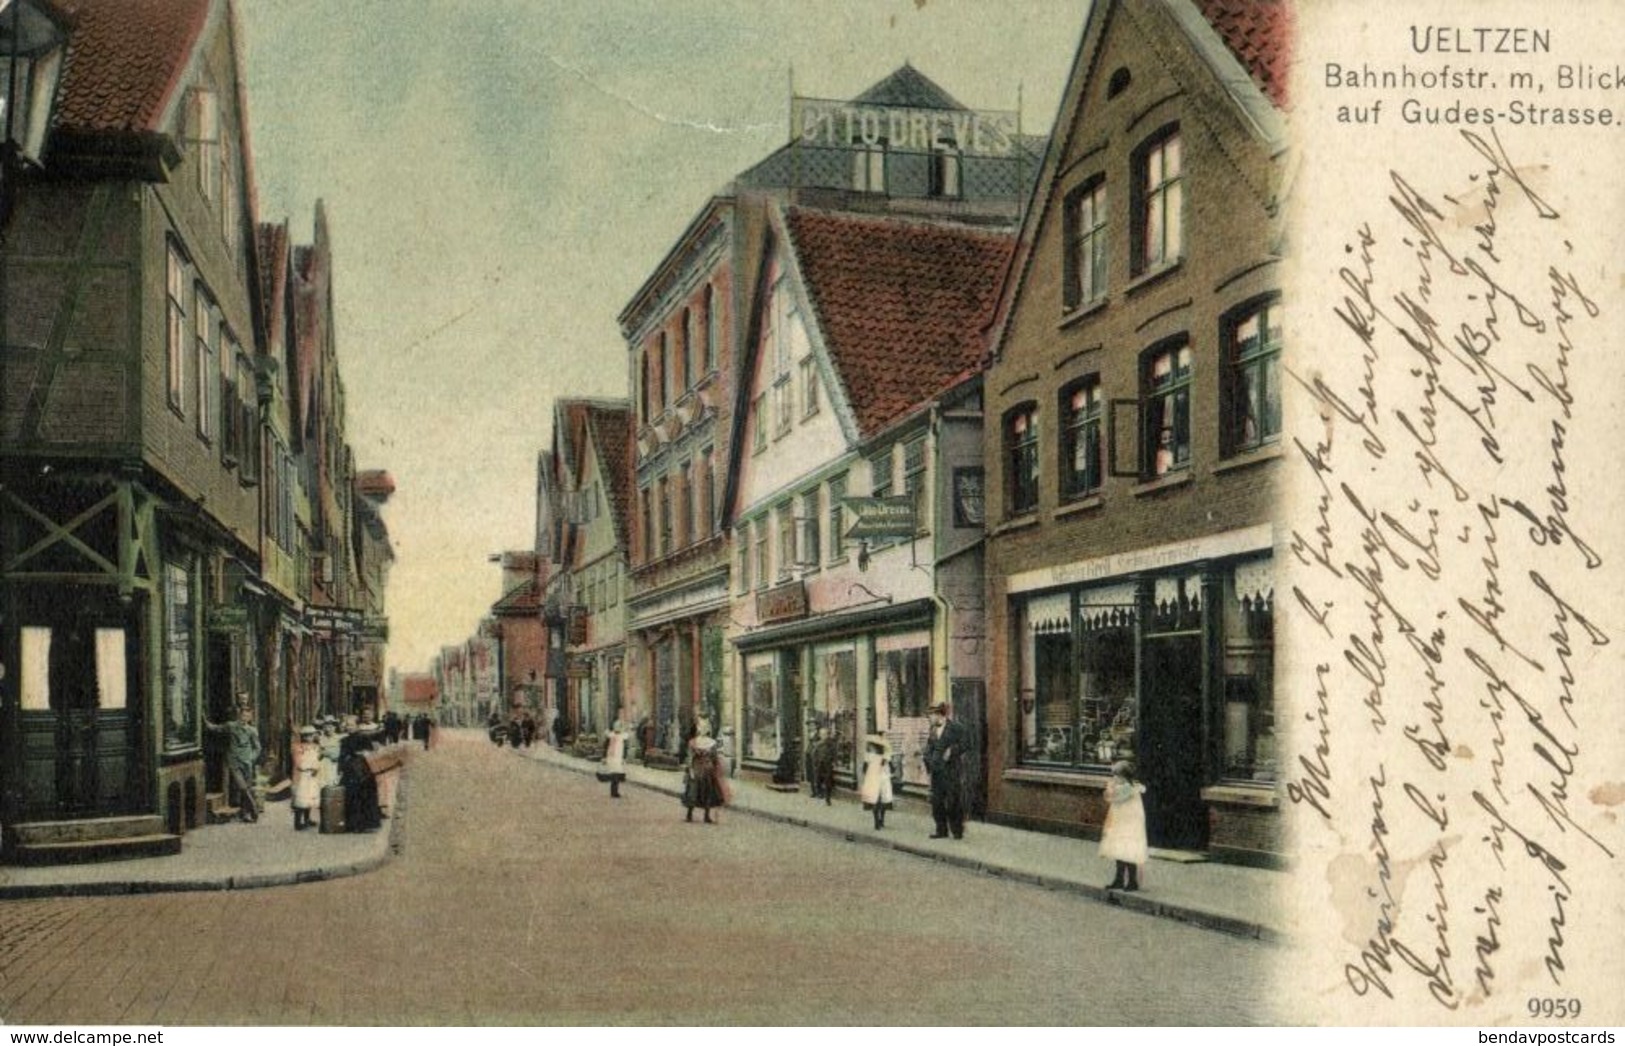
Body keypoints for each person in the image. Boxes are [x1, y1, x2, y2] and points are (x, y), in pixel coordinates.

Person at [205, 701, 262, 822]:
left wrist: (252, 757)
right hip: (234, 761)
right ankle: (254, 809)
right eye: (243, 715)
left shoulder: (252, 730)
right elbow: (214, 728)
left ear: (250, 717)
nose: (245, 718)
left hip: (247, 762)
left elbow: (257, 747)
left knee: (247, 787)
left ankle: (245, 813)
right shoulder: (230, 726)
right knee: (243, 787)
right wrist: (204, 720)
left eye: (247, 716)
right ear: (239, 715)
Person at [1100, 760, 1148, 891]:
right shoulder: (1125, 787)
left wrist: (1110, 789)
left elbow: (1113, 798)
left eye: (1117, 775)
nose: (1114, 778)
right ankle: (1119, 879)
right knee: (1119, 851)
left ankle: (1132, 881)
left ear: (1124, 776)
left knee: (1128, 852)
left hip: (1128, 824)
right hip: (1120, 822)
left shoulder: (1128, 788)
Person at [923, 701, 968, 840]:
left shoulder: (956, 727)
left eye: (930, 715)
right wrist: (928, 761)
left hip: (951, 771)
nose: (929, 718)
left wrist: (952, 750)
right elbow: (929, 749)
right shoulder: (932, 730)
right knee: (937, 802)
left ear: (939, 714)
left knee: (953, 801)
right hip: (937, 772)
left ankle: (957, 831)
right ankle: (941, 830)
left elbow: (967, 743)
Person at [684, 722, 728, 824]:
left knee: (706, 791)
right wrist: (690, 770)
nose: (703, 729)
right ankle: (690, 814)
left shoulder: (711, 742)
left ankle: (705, 815)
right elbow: (690, 758)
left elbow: (714, 757)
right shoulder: (694, 742)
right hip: (698, 769)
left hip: (706, 769)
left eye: (705, 727)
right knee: (695, 791)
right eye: (701, 727)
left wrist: (716, 768)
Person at [858, 734, 894, 831]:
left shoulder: (869, 756)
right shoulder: (885, 757)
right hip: (884, 779)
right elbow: (892, 768)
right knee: (884, 800)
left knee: (875, 801)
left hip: (873, 779)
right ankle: (881, 819)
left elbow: (864, 769)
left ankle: (876, 822)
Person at [291, 724, 321, 830]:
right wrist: (308, 767)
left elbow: (317, 759)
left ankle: (307, 819)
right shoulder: (299, 747)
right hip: (303, 775)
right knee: (301, 798)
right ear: (303, 736)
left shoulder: (316, 747)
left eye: (311, 735)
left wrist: (316, 767)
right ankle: (298, 822)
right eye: (307, 736)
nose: (309, 738)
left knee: (309, 797)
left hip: (312, 775)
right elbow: (298, 762)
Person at [600, 719, 630, 798]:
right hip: (611, 757)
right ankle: (614, 791)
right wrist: (604, 757)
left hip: (619, 757)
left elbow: (625, 748)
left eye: (619, 727)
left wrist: (624, 757)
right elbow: (605, 747)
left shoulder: (623, 737)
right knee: (614, 774)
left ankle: (615, 791)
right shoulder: (610, 736)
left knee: (617, 774)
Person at [809, 727, 837, 805]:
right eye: (822, 734)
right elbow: (814, 754)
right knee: (818, 781)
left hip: (827, 765)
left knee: (828, 782)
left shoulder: (831, 744)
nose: (823, 736)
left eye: (825, 734)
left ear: (828, 735)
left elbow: (834, 754)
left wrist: (834, 762)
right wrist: (815, 763)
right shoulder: (818, 744)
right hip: (819, 765)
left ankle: (828, 798)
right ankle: (819, 796)